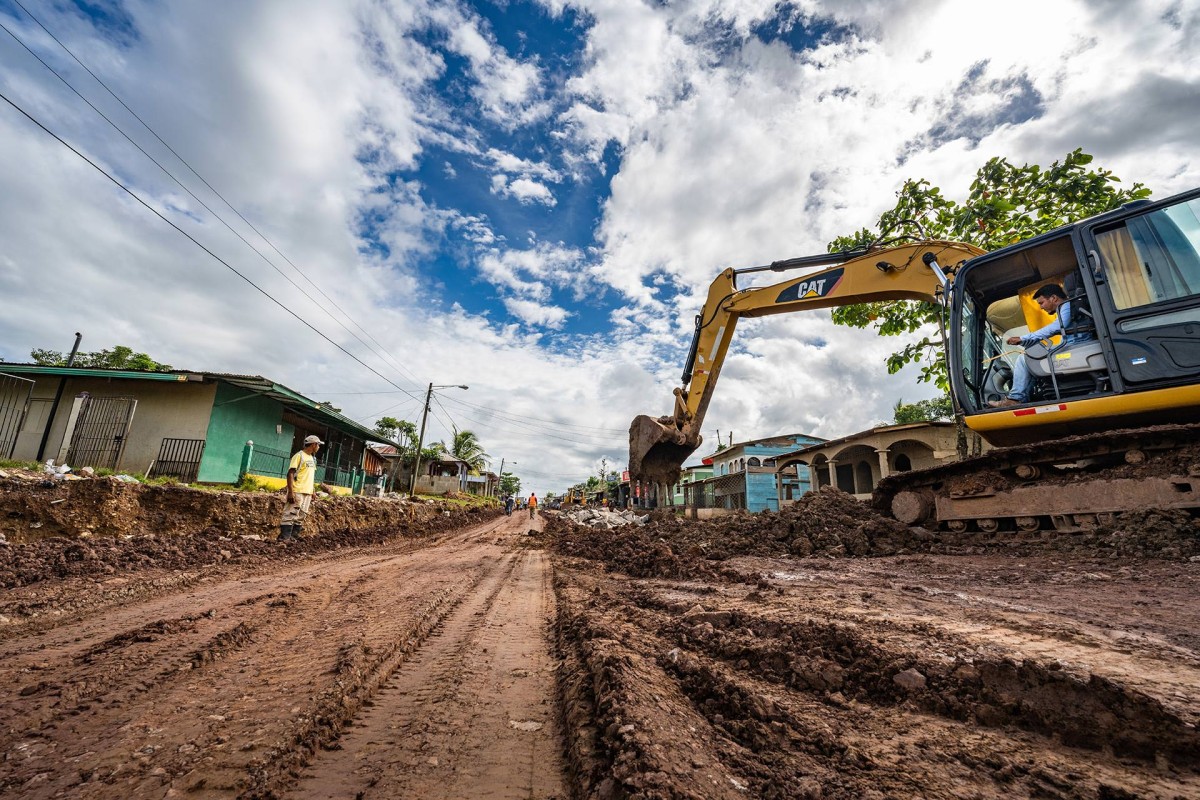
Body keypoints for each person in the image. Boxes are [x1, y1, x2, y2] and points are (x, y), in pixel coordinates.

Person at [989, 284, 1092, 408]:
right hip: (1074, 347)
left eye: (1041, 302)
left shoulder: (1067, 305)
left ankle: (1016, 399)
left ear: (1053, 298)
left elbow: (1056, 327)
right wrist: (1025, 341)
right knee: (1031, 356)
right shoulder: (1069, 307)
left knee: (1025, 359)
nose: (1041, 307)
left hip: (1075, 348)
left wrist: (1023, 338)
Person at [280, 434, 322, 540]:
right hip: (297, 490)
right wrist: (290, 491)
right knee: (290, 514)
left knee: (301, 516)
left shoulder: (312, 458)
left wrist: (313, 491)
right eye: (318, 445)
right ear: (313, 444)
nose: (319, 447)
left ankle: (294, 537)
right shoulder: (299, 456)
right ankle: (284, 538)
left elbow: (310, 475)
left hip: (307, 492)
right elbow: (290, 473)